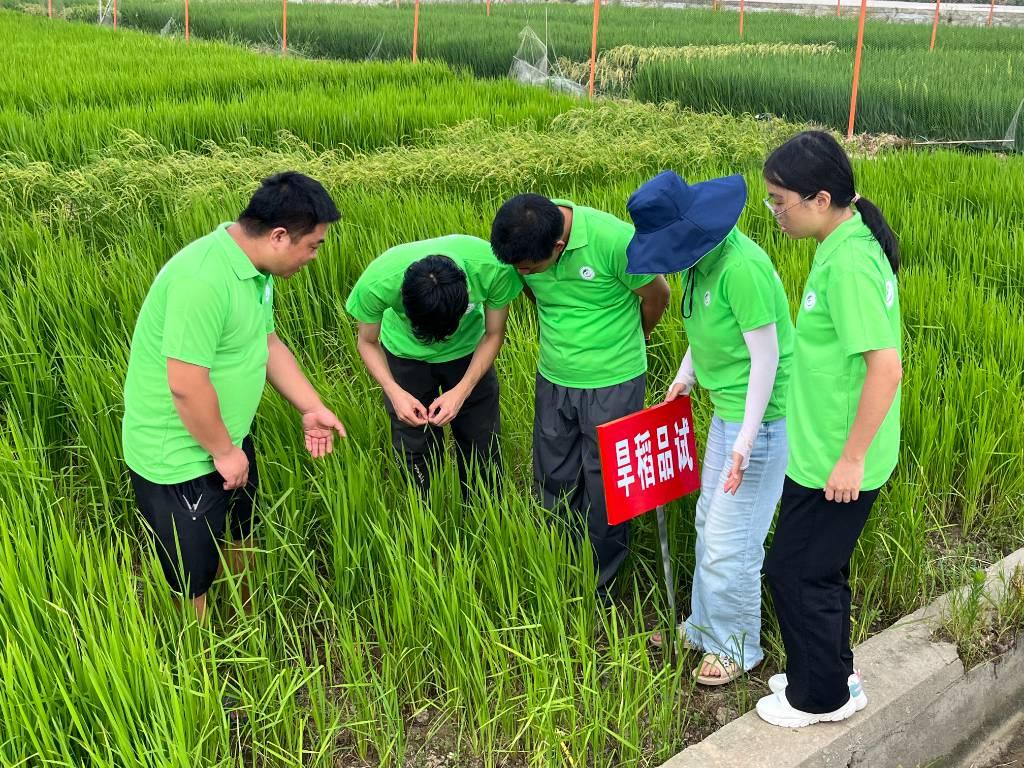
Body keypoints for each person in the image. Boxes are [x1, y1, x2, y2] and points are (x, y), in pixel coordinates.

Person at [122, 171, 346, 620]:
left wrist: (310, 406)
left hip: (228, 437)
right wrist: (223, 450)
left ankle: (246, 618)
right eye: (315, 245)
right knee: (192, 575)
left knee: (242, 528)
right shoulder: (203, 280)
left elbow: (266, 343)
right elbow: (185, 384)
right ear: (280, 236)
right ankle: (200, 663)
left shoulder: (253, 269)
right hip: (181, 455)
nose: (315, 256)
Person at [756, 131, 903, 727]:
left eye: (778, 200)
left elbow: (885, 367)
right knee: (822, 569)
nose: (774, 212)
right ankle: (833, 674)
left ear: (819, 198)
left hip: (836, 462)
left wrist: (851, 458)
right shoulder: (844, 239)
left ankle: (820, 699)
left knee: (795, 572)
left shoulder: (847, 264)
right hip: (821, 450)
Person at [626, 170, 793, 686]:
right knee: (707, 524)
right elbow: (705, 332)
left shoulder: (741, 269)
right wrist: (685, 375)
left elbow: (766, 358)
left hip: (759, 422)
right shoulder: (702, 264)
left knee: (732, 541)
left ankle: (737, 646)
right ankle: (702, 625)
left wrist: (745, 440)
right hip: (728, 413)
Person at [490, 194, 671, 600]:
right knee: (553, 473)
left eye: (529, 269)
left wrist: (633, 340)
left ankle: (602, 584)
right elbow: (535, 295)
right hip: (554, 377)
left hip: (614, 380)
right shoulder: (524, 239)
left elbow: (658, 295)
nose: (523, 274)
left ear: (557, 247)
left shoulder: (612, 240)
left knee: (606, 483)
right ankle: (561, 565)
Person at [345, 235, 522, 494]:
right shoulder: (378, 282)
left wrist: (462, 391)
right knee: (414, 440)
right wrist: (394, 392)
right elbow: (367, 342)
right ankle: (427, 508)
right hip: (405, 356)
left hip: (470, 353)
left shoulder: (491, 268)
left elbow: (493, 333)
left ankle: (484, 512)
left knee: (481, 440)